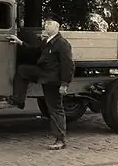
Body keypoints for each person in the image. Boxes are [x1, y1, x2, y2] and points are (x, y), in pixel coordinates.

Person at [6, 13, 75, 150]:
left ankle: (60, 140)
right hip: (43, 73)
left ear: (57, 26)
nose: (46, 25)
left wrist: (64, 84)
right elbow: (35, 51)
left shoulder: (62, 44)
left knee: (55, 109)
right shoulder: (47, 41)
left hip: (52, 80)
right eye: (45, 23)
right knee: (22, 70)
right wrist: (20, 43)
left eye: (49, 23)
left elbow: (68, 65)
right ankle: (18, 100)